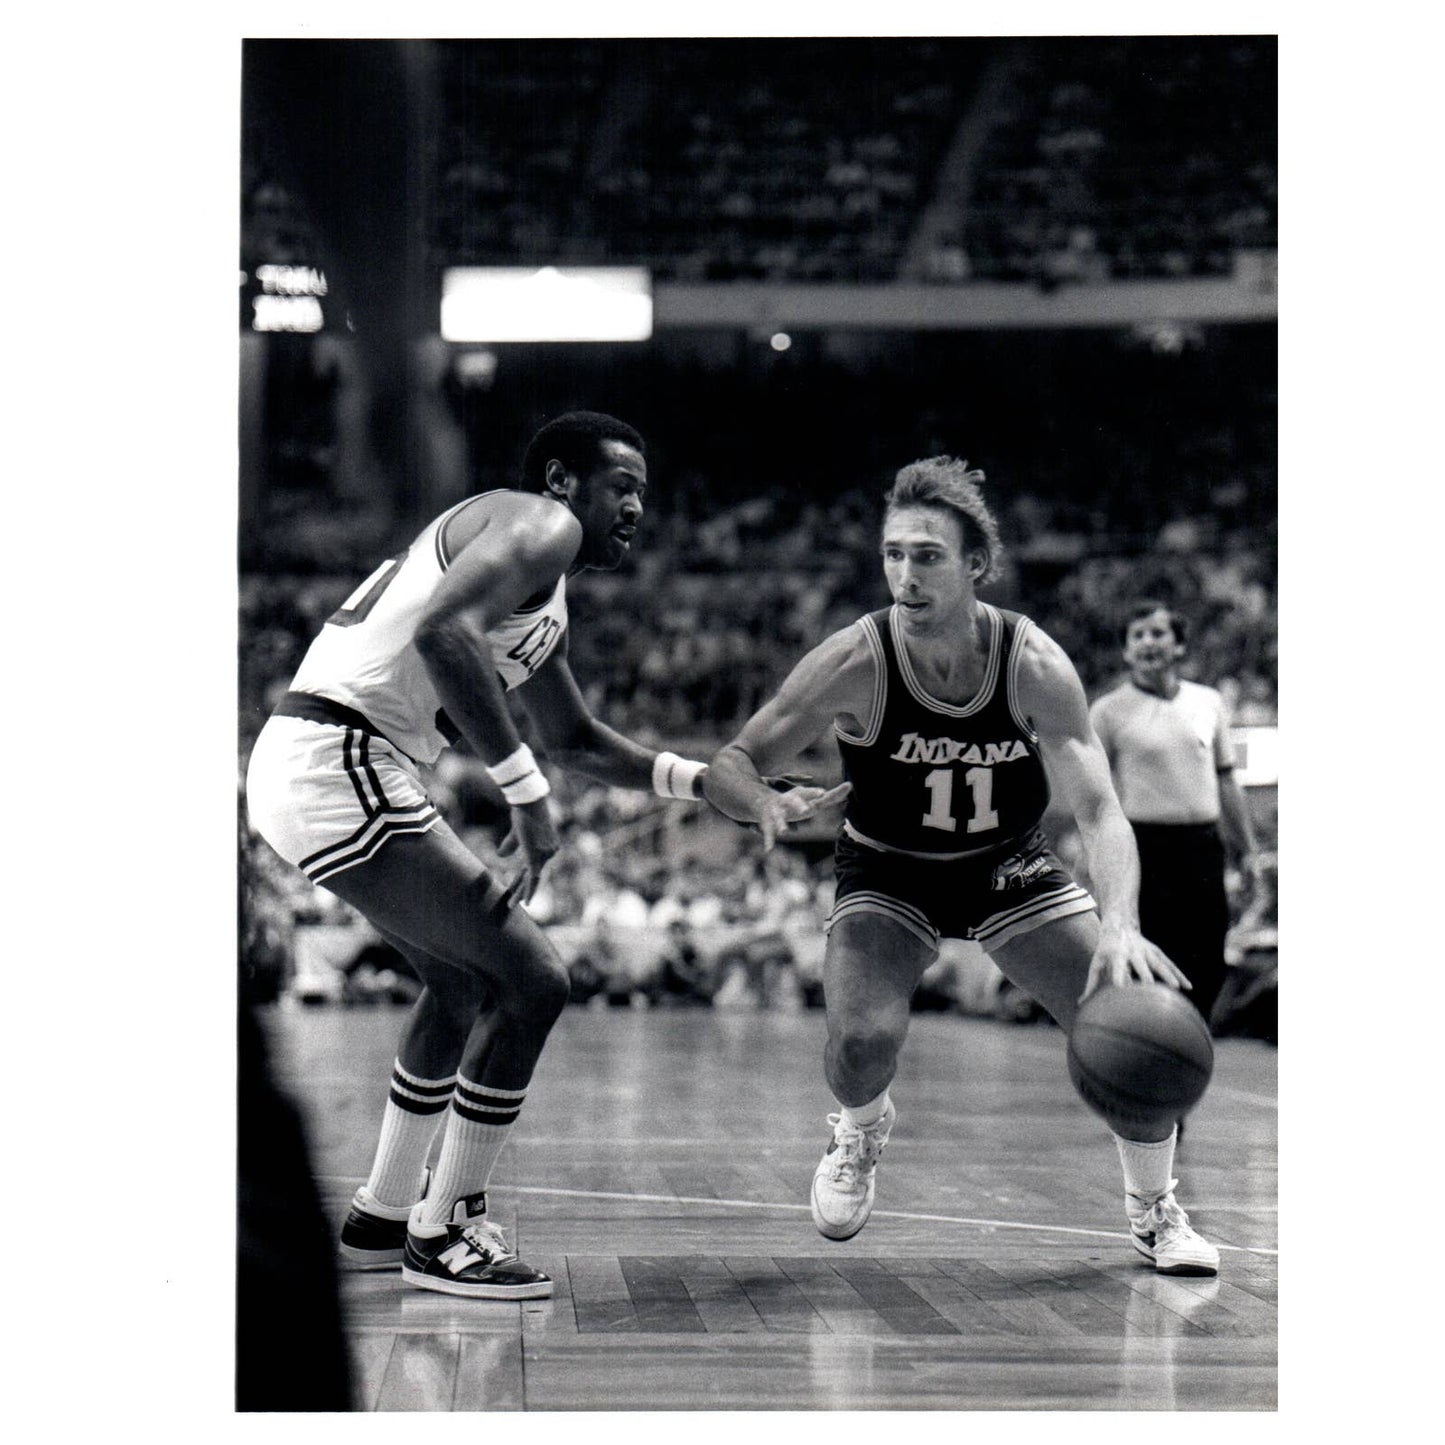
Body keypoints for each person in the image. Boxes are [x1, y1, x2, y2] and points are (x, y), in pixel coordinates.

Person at [702, 457, 1220, 1276]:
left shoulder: (1033, 662)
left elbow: (1098, 810)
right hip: (887, 867)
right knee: (861, 1039)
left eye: (927, 556)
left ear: (975, 564)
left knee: (1130, 1014)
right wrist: (759, 801)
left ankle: (1153, 1209)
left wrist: (1119, 922)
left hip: (1005, 863)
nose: (904, 574)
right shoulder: (853, 659)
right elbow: (731, 759)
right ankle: (859, 1126)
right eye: (893, 554)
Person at [245, 411, 710, 1299]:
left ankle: (385, 1212)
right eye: (622, 485)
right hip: (340, 753)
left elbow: (573, 736)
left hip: (324, 755)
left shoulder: (539, 580)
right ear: (564, 482)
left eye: (644, 492)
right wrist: (525, 795)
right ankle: (447, 1226)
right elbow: (444, 634)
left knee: (460, 983)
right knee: (534, 979)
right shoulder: (542, 522)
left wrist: (697, 780)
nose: (636, 507)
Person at [1089, 601, 1262, 1028]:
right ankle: (1143, 1046)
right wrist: (1091, 857)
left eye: (1157, 633)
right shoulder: (1107, 711)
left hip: (1203, 847)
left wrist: (1249, 851)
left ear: (1179, 645)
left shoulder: (1210, 702)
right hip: (1144, 848)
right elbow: (1094, 795)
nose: (1148, 642)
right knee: (1149, 956)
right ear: (1126, 652)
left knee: (1207, 957)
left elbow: (1226, 781)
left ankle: (1185, 1046)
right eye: (1137, 636)